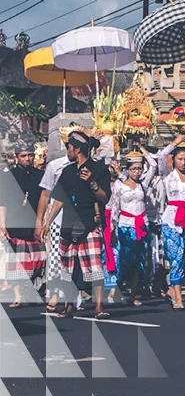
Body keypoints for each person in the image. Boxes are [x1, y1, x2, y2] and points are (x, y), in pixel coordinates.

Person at [40, 131, 111, 319]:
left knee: (94, 267)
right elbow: (59, 199)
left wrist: (92, 183)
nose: (68, 152)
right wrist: (47, 223)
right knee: (67, 267)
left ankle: (98, 308)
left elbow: (105, 198)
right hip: (68, 224)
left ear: (77, 149)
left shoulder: (98, 169)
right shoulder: (68, 171)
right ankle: (69, 306)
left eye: (69, 148)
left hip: (90, 223)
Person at [107, 149, 156, 307]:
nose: (137, 172)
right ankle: (119, 288)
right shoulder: (119, 186)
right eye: (134, 169)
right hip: (125, 225)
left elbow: (153, 165)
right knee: (126, 259)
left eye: (140, 168)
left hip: (142, 224)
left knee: (140, 260)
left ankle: (134, 294)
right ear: (127, 170)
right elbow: (115, 209)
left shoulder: (143, 183)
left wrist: (141, 148)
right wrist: (112, 229)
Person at [158, 136, 185, 310]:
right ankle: (179, 297)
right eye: (180, 159)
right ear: (174, 160)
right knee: (176, 256)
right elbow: (160, 157)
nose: (183, 162)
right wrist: (175, 142)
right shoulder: (168, 176)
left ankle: (172, 290)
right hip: (171, 219)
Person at [2, 143, 46, 307]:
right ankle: (17, 295)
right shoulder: (8, 176)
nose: (28, 159)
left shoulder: (40, 175)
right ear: (17, 157)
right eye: (24, 156)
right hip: (15, 221)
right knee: (16, 259)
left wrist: (41, 221)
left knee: (37, 260)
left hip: (34, 221)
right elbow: (3, 202)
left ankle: (31, 286)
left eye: (30, 155)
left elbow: (45, 198)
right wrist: (3, 224)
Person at [35, 146, 72, 311]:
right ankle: (54, 293)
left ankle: (71, 297)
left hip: (77, 216)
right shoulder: (55, 165)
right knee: (55, 256)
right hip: (56, 216)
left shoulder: (86, 168)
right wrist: (40, 220)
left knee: (72, 257)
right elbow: (45, 194)